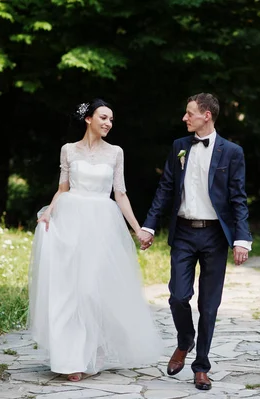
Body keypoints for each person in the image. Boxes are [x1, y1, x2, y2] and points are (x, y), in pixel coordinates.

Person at [28, 99, 163, 382]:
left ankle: (93, 351)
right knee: (68, 292)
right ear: (88, 118)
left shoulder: (115, 153)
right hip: (70, 222)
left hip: (102, 226)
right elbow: (62, 189)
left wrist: (138, 229)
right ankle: (69, 359)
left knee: (91, 290)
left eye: (111, 120)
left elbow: (121, 194)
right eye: (103, 117)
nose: (108, 123)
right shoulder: (68, 150)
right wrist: (49, 213)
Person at [138, 93, 252, 390]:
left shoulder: (232, 152)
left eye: (189, 113)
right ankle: (185, 340)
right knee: (177, 295)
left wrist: (242, 238)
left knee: (209, 305)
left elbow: (238, 198)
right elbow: (165, 189)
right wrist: (149, 225)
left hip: (216, 235)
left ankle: (201, 366)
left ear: (206, 116)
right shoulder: (179, 147)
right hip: (184, 232)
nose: (184, 118)